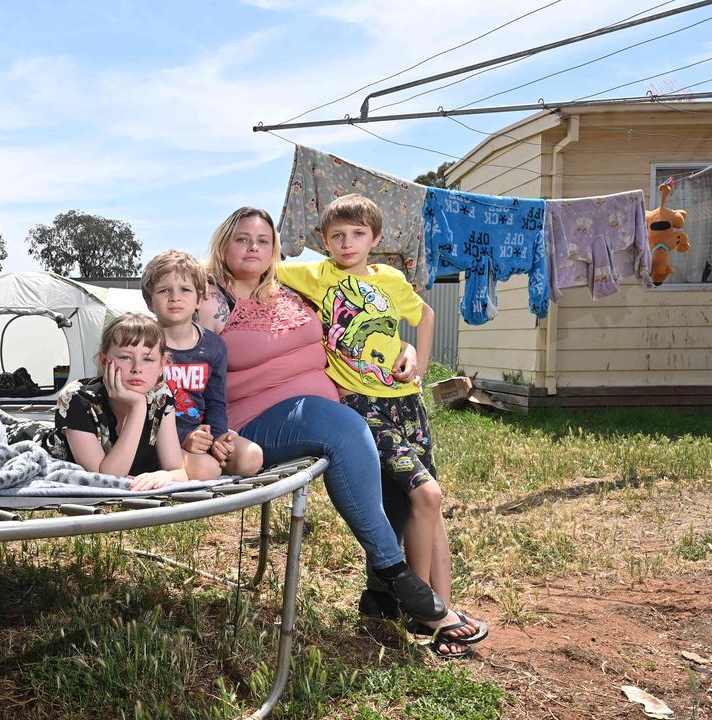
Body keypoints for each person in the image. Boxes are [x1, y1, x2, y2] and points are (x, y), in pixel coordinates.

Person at [196, 205, 476, 650]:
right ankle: (395, 573)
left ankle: (384, 600)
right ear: (222, 243)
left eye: (263, 240)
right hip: (255, 422)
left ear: (276, 251)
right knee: (343, 429)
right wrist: (195, 434)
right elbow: (179, 359)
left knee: (407, 487)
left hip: (360, 403)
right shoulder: (208, 300)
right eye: (242, 239)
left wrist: (403, 346)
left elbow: (357, 324)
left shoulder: (290, 289)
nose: (253, 248)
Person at [277, 194, 487, 658]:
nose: (346, 243)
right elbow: (264, 263)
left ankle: (443, 615)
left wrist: (420, 363)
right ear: (323, 242)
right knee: (424, 494)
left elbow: (425, 316)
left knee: (429, 507)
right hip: (361, 405)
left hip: (407, 403)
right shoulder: (318, 275)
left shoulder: (390, 280)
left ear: (375, 239)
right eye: (336, 236)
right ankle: (422, 610)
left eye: (357, 234)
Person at [140, 250, 264, 480]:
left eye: (185, 290)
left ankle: (206, 457)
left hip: (200, 432)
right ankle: (176, 466)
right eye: (164, 290)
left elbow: (215, 402)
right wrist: (183, 438)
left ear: (199, 299)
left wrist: (218, 438)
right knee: (208, 470)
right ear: (149, 301)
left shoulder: (213, 346)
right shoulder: (142, 344)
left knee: (251, 457)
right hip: (155, 436)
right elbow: (137, 409)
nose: (175, 297)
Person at [42, 312, 200, 490]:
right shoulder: (76, 398)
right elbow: (105, 479)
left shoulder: (160, 396)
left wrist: (165, 475)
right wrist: (138, 407)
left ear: (162, 365)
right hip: (38, 442)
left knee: (206, 467)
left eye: (148, 359)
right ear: (104, 360)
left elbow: (178, 471)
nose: (137, 368)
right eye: (125, 357)